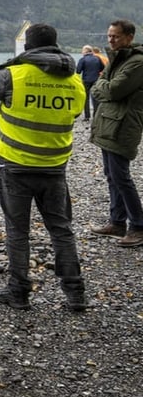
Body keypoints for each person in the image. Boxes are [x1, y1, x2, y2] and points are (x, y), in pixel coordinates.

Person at [0, 22, 88, 310]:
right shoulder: (74, 82)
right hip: (55, 167)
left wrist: (7, 66)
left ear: (27, 46)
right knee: (61, 229)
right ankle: (75, 294)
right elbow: (73, 112)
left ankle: (19, 292)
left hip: (16, 166)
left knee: (18, 231)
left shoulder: (14, 74)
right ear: (56, 45)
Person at [88, 19, 143, 247]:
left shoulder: (137, 62)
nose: (111, 40)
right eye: (109, 36)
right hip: (109, 124)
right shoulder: (118, 59)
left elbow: (112, 89)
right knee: (112, 176)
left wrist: (102, 85)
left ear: (129, 37)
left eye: (116, 36)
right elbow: (102, 88)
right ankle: (117, 222)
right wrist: (103, 85)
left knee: (121, 177)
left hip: (123, 126)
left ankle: (139, 226)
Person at [76, 45, 105, 121]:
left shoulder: (83, 59)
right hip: (96, 80)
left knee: (86, 98)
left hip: (86, 80)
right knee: (95, 98)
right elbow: (103, 68)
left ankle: (87, 116)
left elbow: (78, 71)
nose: (82, 52)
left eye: (82, 50)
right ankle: (96, 115)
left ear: (85, 51)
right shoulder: (97, 58)